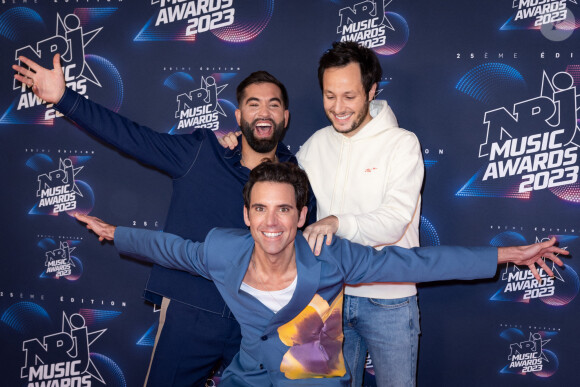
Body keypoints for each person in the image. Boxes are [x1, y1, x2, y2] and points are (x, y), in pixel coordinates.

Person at [74, 161, 566, 387]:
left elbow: (419, 262)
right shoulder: (224, 250)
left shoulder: (331, 259)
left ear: (302, 215)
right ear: (246, 215)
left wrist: (506, 256)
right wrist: (114, 232)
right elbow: (170, 248)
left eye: (283, 210)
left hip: (310, 380)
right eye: (261, 210)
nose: (271, 223)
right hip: (247, 379)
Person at [13, 55, 314, 386]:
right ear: (239, 115)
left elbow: (311, 245)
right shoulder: (202, 153)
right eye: (254, 104)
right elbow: (131, 136)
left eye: (273, 105)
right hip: (191, 308)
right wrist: (64, 98)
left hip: (260, 319)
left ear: (284, 117)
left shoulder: (297, 178)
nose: (264, 112)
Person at [219, 41, 424, 386]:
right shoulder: (314, 146)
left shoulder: (402, 144)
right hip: (329, 297)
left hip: (390, 298)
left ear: (371, 90)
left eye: (349, 96)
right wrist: (238, 142)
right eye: (330, 96)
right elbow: (276, 181)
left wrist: (337, 223)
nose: (338, 107)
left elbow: (395, 219)